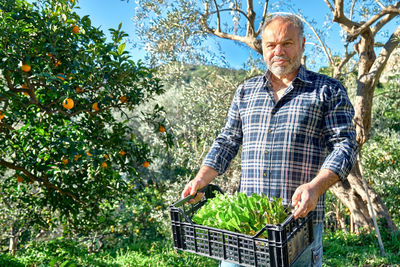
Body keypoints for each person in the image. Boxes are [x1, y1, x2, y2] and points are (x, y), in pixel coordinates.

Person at [181, 13, 358, 267]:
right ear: (263, 48)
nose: (279, 51)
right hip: (245, 228)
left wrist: (315, 187)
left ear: (302, 44)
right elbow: (226, 141)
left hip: (298, 227)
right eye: (271, 45)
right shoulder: (246, 91)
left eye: (287, 43)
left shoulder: (327, 90)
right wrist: (201, 178)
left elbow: (346, 145)